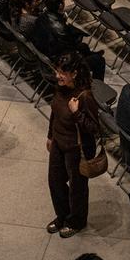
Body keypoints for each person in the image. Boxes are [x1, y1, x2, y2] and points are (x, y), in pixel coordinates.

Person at [46, 51, 101, 238]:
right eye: (57, 71)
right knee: (55, 182)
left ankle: (76, 221)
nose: (57, 75)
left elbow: (94, 128)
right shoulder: (60, 88)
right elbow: (54, 111)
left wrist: (77, 113)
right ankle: (62, 215)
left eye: (62, 72)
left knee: (77, 189)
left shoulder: (84, 96)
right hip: (58, 143)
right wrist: (50, 135)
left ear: (75, 73)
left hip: (76, 150)